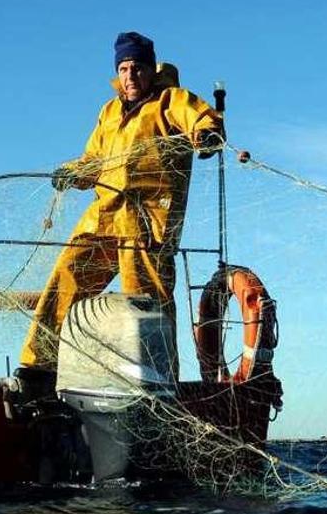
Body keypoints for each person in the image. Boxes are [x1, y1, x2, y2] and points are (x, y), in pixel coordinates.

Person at [17, 31, 224, 382]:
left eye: (137, 68)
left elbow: (203, 119)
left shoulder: (171, 100)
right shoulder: (109, 111)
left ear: (150, 70)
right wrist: (73, 172)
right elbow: (93, 160)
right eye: (124, 69)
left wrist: (206, 135)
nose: (130, 76)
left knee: (147, 306)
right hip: (103, 218)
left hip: (147, 225)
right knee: (66, 279)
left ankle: (158, 382)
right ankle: (38, 369)